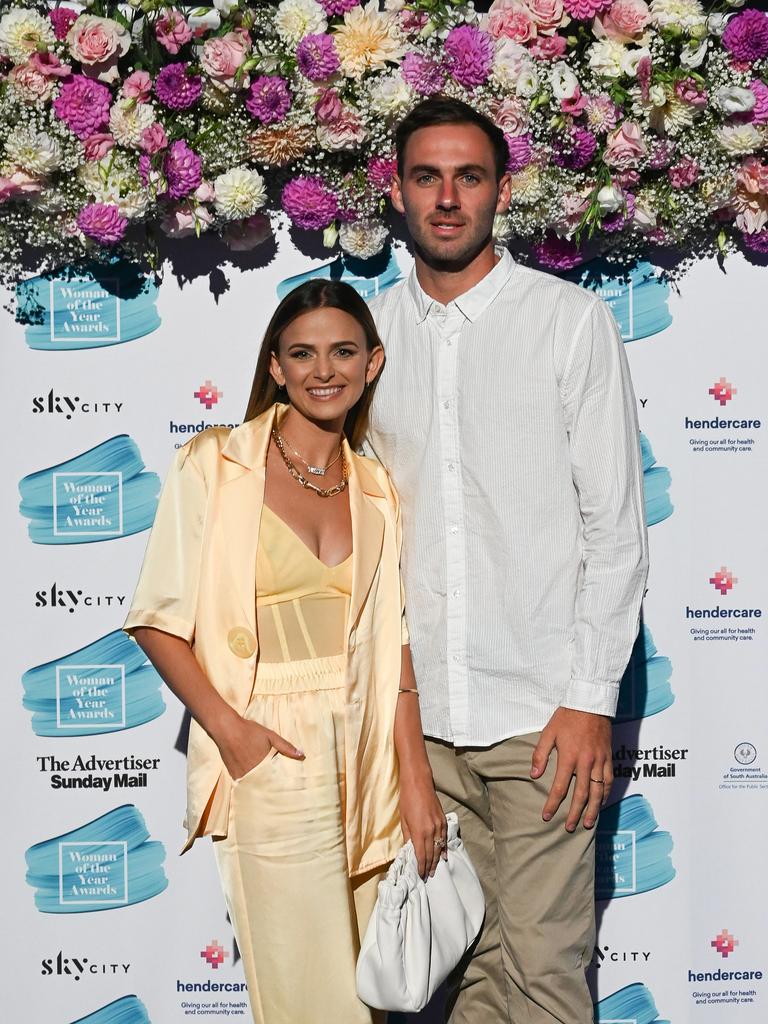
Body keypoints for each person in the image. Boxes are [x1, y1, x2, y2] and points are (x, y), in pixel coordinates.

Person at [366, 97, 649, 1024]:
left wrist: (588, 699)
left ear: (502, 190)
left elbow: (615, 529)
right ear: (397, 190)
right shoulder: (368, 341)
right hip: (422, 726)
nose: (448, 198)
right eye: (427, 176)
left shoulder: (567, 322)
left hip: (542, 720)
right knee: (463, 984)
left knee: (542, 978)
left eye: (470, 176)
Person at [123, 280, 446, 1024]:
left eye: (342, 351)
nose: (322, 370)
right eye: (302, 353)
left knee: (374, 996)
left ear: (373, 363)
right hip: (273, 748)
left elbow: (395, 642)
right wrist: (235, 735)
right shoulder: (215, 464)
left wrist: (416, 779)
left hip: (370, 755)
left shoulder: (377, 488)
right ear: (275, 366)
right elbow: (156, 621)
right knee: (310, 998)